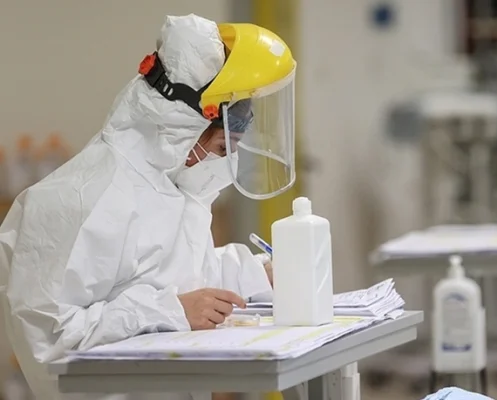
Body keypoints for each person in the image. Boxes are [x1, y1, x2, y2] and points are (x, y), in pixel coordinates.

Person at [0, 14, 296, 400]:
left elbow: (178, 274)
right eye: (223, 148)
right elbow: (50, 337)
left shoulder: (170, 186)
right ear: (183, 129)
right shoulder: (80, 198)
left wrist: (257, 275)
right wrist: (170, 312)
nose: (226, 163)